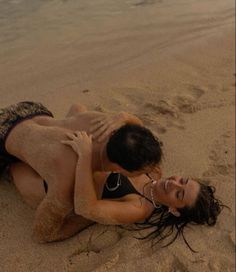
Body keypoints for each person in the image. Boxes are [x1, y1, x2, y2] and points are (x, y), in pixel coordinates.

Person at [10, 131, 224, 251]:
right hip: (61, 166)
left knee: (12, 164)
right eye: (183, 181)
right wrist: (121, 117)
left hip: (44, 187)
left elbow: (87, 207)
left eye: (179, 194)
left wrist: (85, 157)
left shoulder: (140, 207)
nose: (174, 184)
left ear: (174, 211)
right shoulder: (155, 172)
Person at [1, 101, 162, 242]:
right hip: (3, 139)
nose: (154, 172)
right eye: (142, 172)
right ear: (118, 169)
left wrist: (124, 116)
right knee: (51, 199)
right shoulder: (68, 176)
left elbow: (137, 130)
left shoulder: (107, 126)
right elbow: (42, 235)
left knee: (78, 110)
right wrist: (92, 218)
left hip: (29, 109)